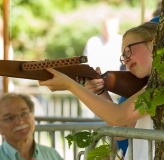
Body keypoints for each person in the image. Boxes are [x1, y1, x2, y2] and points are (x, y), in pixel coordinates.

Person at [38, 21, 158, 160]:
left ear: (154, 43)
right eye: (123, 56)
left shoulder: (158, 88)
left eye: (128, 51)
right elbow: (122, 130)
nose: (125, 59)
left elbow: (118, 115)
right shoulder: (151, 86)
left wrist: (70, 85)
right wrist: (100, 90)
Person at [0, 93, 63, 160]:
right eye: (9, 118)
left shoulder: (52, 156)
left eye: (23, 113)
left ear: (33, 116)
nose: (19, 121)